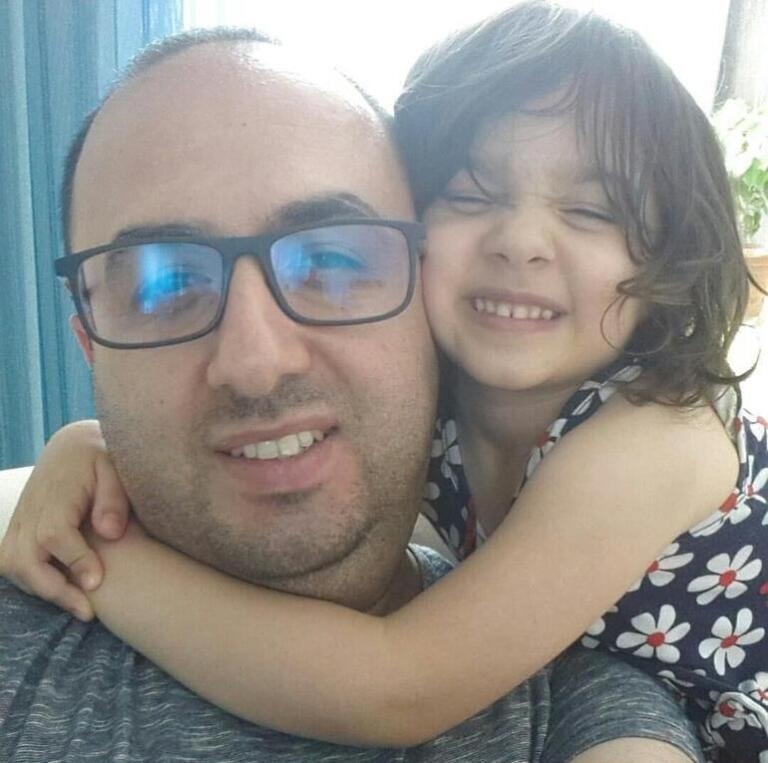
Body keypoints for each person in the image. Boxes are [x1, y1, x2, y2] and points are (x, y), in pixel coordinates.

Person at [5, 4, 766, 763]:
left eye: (594, 209)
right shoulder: (444, 417)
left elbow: (401, 686)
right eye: (472, 194)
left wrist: (106, 565)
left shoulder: (663, 433)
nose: (522, 243)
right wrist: (85, 449)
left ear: (671, 257)